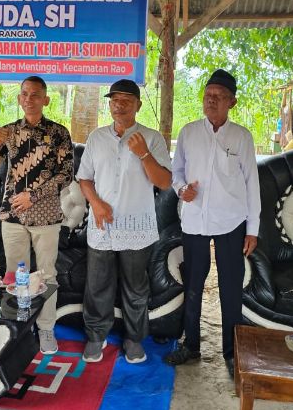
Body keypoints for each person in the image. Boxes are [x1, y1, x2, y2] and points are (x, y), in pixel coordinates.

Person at [163, 69, 260, 378]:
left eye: (218, 97)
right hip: (194, 221)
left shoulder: (241, 137)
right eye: (208, 96)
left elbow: (252, 184)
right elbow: (176, 172)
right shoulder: (189, 133)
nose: (211, 101)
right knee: (193, 284)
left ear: (232, 102)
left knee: (231, 288)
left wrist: (253, 230)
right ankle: (191, 345)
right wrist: (182, 190)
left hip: (232, 221)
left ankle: (231, 353)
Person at [77, 79, 172, 364]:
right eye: (114, 100)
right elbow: (84, 178)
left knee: (135, 287)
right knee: (98, 285)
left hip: (135, 227)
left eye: (126, 101)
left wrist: (144, 153)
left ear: (138, 105)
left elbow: (165, 182)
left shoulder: (152, 138)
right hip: (102, 225)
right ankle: (96, 336)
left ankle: (133, 339)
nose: (119, 106)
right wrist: (96, 203)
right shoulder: (96, 138)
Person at [0, 76, 74, 354]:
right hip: (13, 217)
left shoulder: (58, 133)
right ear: (19, 98)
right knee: (14, 276)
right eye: (24, 94)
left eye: (35, 95)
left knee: (46, 276)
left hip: (45, 216)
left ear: (46, 99)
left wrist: (32, 196)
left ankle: (46, 329)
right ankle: (17, 327)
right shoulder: (8, 131)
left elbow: (66, 175)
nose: (29, 99)